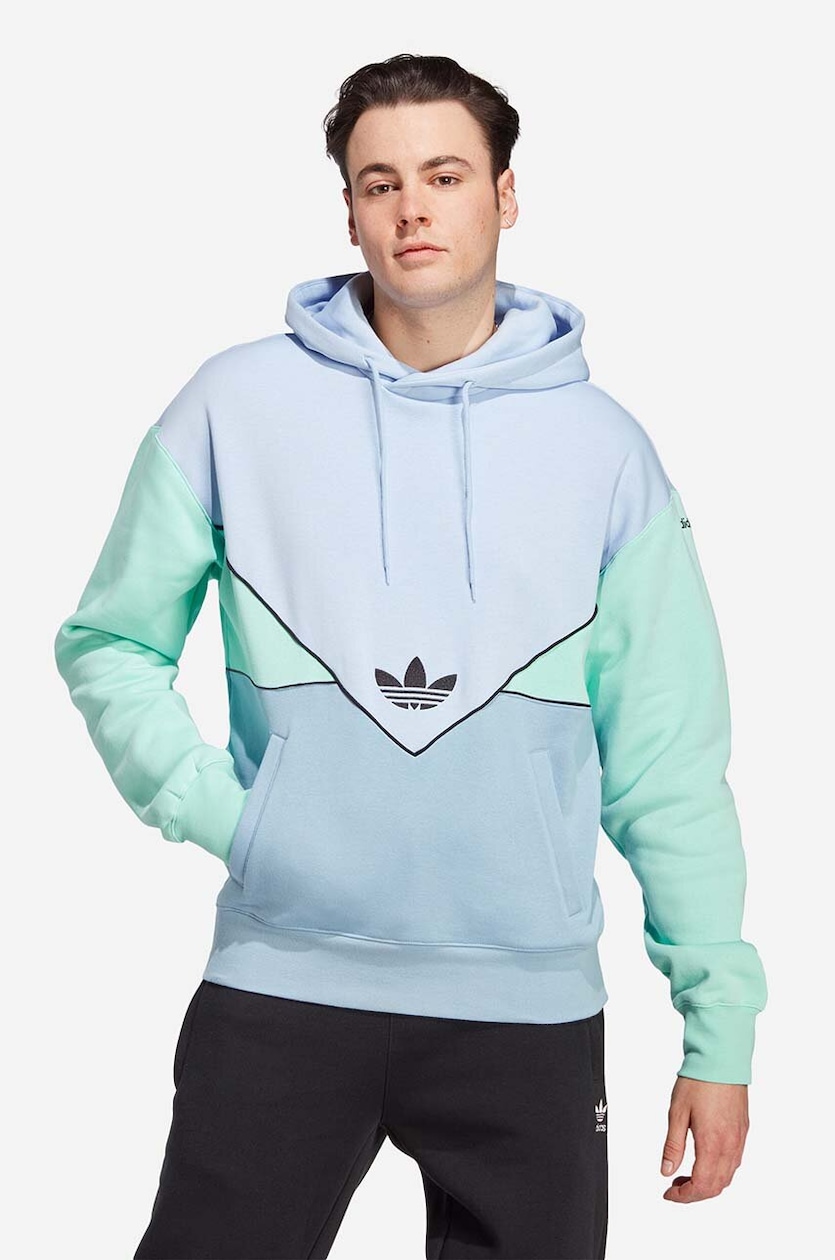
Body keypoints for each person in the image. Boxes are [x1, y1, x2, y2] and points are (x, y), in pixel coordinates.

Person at [54, 52, 768, 1260]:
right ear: (348, 210)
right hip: (281, 987)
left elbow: (668, 761)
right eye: (379, 182)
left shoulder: (604, 451)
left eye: (444, 175)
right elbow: (110, 642)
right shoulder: (233, 406)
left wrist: (720, 1030)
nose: (411, 210)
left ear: (504, 193)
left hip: (526, 1011)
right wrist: (236, 821)